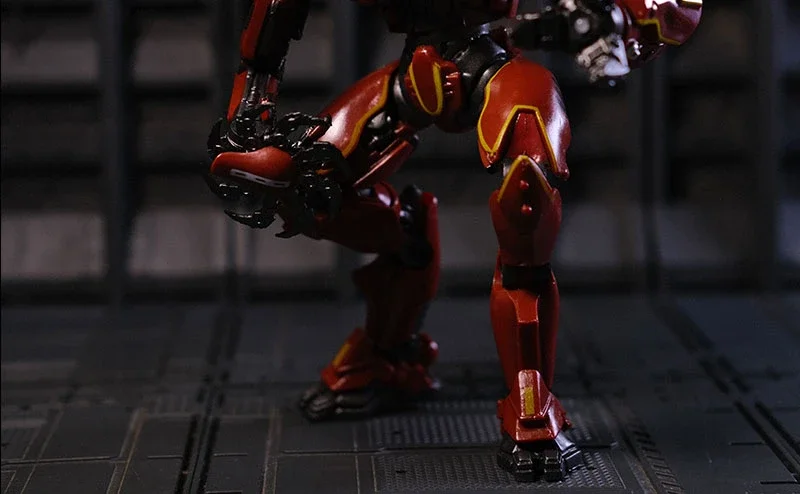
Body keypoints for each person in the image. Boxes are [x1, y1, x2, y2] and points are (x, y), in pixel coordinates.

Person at [204, 0, 702, 481]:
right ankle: (391, 346)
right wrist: (249, 111)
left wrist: (617, 16)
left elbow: (676, 7)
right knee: (308, 185)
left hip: (493, 64)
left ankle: (531, 397)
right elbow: (273, 18)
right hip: (415, 77)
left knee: (526, 187)